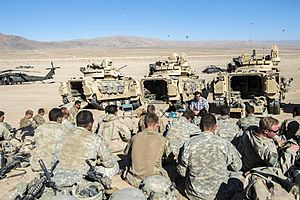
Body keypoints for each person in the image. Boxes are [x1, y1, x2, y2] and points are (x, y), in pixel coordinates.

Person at [177, 113, 243, 200]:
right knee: (238, 177)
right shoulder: (225, 144)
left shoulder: (189, 143)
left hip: (194, 194)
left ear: (200, 126)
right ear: (215, 127)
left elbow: (182, 172)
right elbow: (237, 167)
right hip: (221, 193)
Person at [53, 110, 119, 189]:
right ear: (90, 124)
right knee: (114, 166)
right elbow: (109, 163)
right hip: (81, 179)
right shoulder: (95, 139)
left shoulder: (63, 135)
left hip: (58, 176)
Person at [124, 113, 171, 188]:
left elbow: (126, 153)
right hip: (152, 180)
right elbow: (169, 158)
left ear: (144, 124)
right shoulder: (163, 140)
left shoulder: (134, 138)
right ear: (156, 125)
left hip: (134, 179)